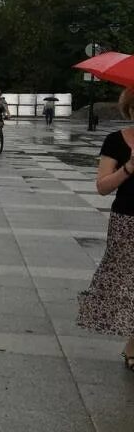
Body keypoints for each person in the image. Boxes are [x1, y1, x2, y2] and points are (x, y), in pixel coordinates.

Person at [77, 88, 134, 371]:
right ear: (131, 110)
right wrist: (129, 168)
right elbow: (102, 187)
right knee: (126, 281)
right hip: (128, 221)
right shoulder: (116, 141)